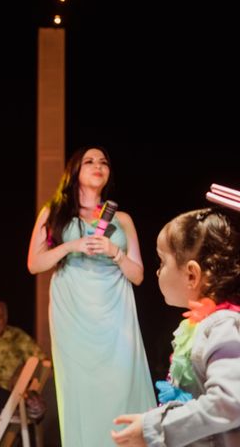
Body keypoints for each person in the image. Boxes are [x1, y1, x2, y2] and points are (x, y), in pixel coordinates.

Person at [27, 146, 155, 446]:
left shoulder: (121, 218)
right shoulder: (55, 212)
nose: (98, 165)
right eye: (89, 161)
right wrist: (72, 246)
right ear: (75, 172)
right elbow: (35, 264)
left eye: (104, 162)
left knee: (122, 384)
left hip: (115, 311)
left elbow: (137, 275)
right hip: (73, 311)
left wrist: (115, 252)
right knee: (82, 390)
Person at [112, 206, 240, 446]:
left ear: (192, 274)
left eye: (162, 261)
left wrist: (154, 427)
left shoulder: (223, 326)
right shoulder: (201, 326)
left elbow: (229, 401)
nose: (158, 271)